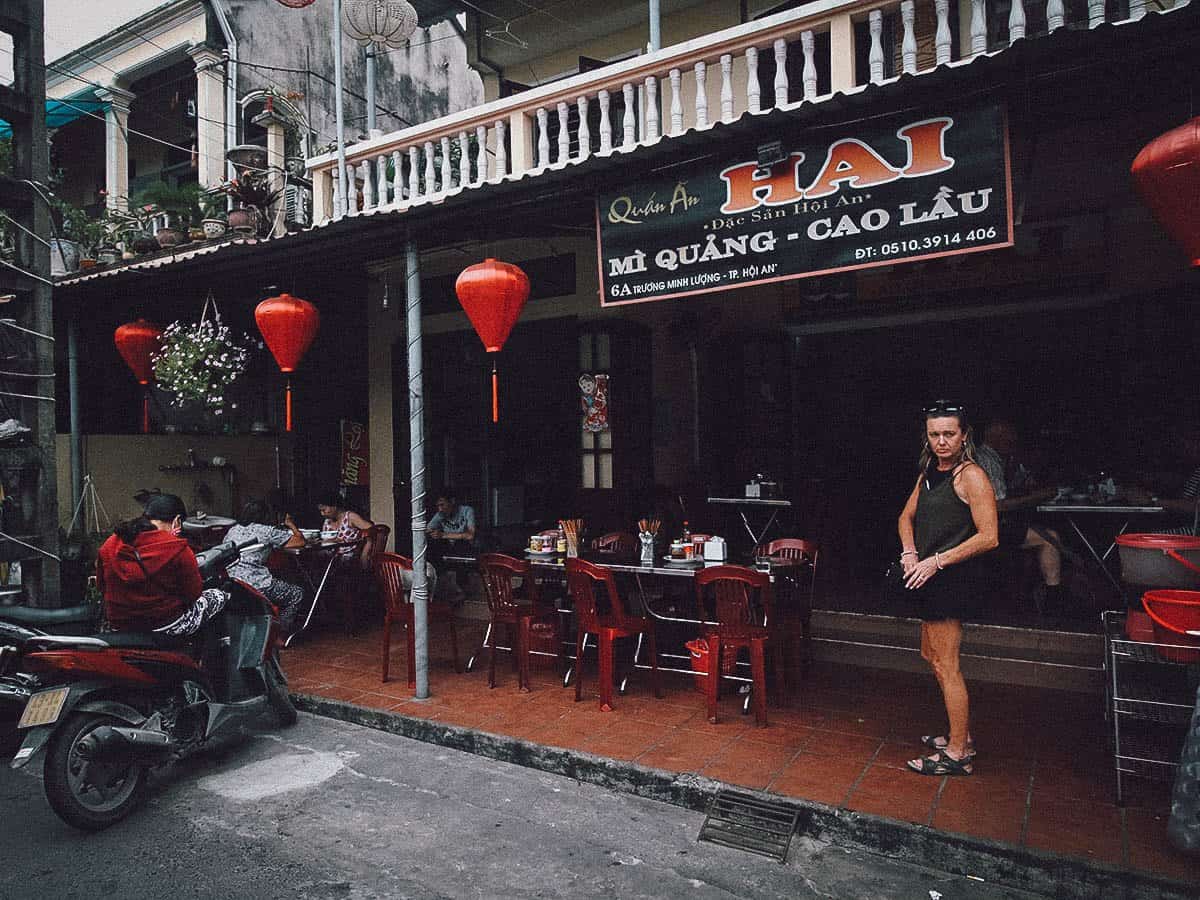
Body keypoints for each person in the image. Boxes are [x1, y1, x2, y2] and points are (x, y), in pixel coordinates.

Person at [897, 402, 998, 777]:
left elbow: (989, 537)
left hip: (951, 579)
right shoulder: (928, 472)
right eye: (934, 434)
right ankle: (961, 735)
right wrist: (909, 552)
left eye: (949, 434)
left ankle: (958, 753)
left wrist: (937, 560)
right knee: (932, 657)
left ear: (964, 436)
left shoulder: (970, 476)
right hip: (925, 575)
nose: (941, 441)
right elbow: (905, 517)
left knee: (947, 664)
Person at [96, 493, 227, 635]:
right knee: (219, 595)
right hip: (164, 624)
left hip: (119, 625)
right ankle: (209, 655)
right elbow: (193, 594)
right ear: (177, 521)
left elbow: (101, 586)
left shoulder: (111, 543)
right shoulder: (177, 547)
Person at [975, 420, 1065, 610]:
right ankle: (1055, 602)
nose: (1014, 439)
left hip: (988, 525)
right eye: (1010, 434)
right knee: (1050, 538)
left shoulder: (999, 459)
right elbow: (999, 506)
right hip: (985, 529)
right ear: (996, 434)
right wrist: (1038, 497)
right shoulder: (987, 460)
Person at [224, 499, 307, 631]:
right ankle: (279, 631)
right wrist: (290, 524)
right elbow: (300, 541)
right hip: (257, 585)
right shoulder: (267, 531)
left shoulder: (233, 530)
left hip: (234, 583)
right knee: (297, 593)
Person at [426, 487, 476, 604]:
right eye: (438, 506)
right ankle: (436, 587)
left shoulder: (466, 511)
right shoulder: (440, 514)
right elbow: (427, 530)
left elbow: (470, 535)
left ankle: (462, 590)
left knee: (460, 544)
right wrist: (433, 533)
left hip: (465, 547)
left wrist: (443, 535)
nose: (440, 509)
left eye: (443, 505)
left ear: (452, 502)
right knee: (433, 545)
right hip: (449, 547)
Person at [316, 492, 374, 557]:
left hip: (348, 557)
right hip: (330, 556)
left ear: (334, 506)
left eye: (324, 510)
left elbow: (373, 530)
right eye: (320, 511)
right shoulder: (327, 522)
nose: (322, 514)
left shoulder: (350, 517)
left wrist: (365, 553)